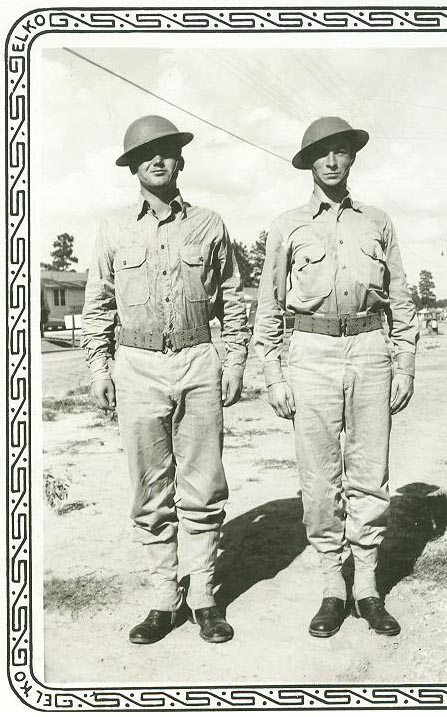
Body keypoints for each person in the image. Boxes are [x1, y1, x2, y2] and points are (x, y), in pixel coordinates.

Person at [82, 115, 249, 645]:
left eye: (168, 151)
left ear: (181, 160)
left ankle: (202, 595)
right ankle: (163, 597)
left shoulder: (210, 223)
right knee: (150, 489)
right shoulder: (113, 229)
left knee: (202, 485)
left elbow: (234, 300)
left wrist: (236, 362)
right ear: (132, 165)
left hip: (199, 360)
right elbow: (98, 306)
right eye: (146, 153)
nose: (158, 160)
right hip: (136, 366)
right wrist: (98, 368)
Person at [254, 117, 419, 638]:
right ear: (310, 162)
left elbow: (402, 300)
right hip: (311, 352)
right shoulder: (287, 225)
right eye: (322, 153)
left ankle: (367, 589)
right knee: (320, 478)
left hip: (371, 351)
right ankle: (332, 586)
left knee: (370, 475)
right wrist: (274, 374)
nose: (332, 161)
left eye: (341, 152)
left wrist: (404, 364)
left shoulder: (379, 222)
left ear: (352, 159)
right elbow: (269, 306)